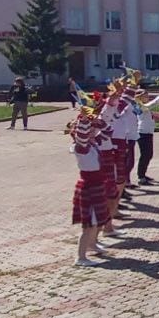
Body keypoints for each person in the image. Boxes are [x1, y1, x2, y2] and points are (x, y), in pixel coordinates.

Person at [69, 106, 111, 266]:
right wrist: (84, 120)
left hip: (97, 185)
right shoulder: (82, 148)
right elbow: (82, 136)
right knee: (88, 224)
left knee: (98, 220)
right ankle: (80, 257)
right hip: (88, 187)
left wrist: (97, 122)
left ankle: (93, 244)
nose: (93, 132)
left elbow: (108, 132)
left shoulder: (94, 144)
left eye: (93, 130)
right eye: (90, 131)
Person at [135, 85, 159, 185]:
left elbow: (149, 111)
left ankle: (142, 174)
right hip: (142, 133)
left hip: (147, 133)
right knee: (145, 155)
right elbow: (152, 104)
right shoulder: (140, 106)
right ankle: (141, 177)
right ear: (140, 97)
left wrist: (156, 116)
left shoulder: (144, 106)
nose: (148, 97)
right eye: (145, 95)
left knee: (148, 155)